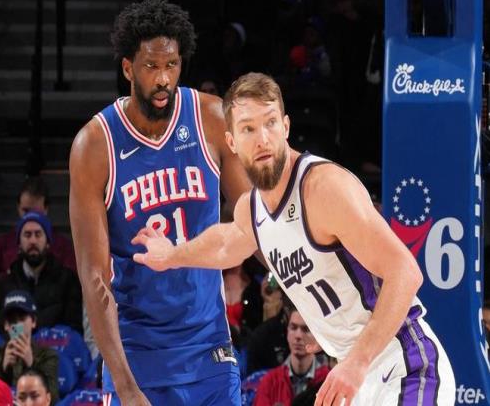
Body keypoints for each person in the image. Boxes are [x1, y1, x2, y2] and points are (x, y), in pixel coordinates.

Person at [131, 72, 456, 405]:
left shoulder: (323, 189)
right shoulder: (252, 211)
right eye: (248, 129)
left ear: (285, 127)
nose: (262, 139)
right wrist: (171, 255)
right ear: (231, 142)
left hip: (405, 364)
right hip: (357, 373)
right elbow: (227, 243)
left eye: (270, 123)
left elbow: (406, 273)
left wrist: (357, 361)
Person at [69, 0, 252, 406]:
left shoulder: (211, 119)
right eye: (151, 66)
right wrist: (125, 387)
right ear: (128, 68)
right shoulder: (94, 146)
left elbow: (258, 221)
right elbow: (94, 277)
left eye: (171, 64)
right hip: (137, 352)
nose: (163, 78)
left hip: (209, 346)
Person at [0, 212, 82, 334]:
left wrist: (41, 343)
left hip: (54, 346)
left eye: (38, 234)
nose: (33, 241)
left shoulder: (67, 281)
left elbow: (74, 330)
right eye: (27, 235)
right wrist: (19, 341)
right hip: (15, 344)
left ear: (48, 242)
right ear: (19, 243)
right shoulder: (4, 284)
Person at [0, 176, 76, 287]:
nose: (31, 216)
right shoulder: (2, 245)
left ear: (46, 209)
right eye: (26, 210)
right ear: (18, 207)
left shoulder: (63, 247)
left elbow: (72, 286)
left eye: (36, 211)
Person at [254, 304, 330, 406]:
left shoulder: (328, 382)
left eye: (306, 329)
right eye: (293, 328)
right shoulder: (270, 381)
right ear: (287, 332)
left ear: (317, 335)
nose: (298, 336)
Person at [0, 290, 58, 404]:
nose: (17, 325)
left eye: (22, 318)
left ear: (34, 321)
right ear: (6, 325)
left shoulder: (48, 356)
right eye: (12, 320)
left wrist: (31, 365)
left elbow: (52, 398)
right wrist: (3, 370)